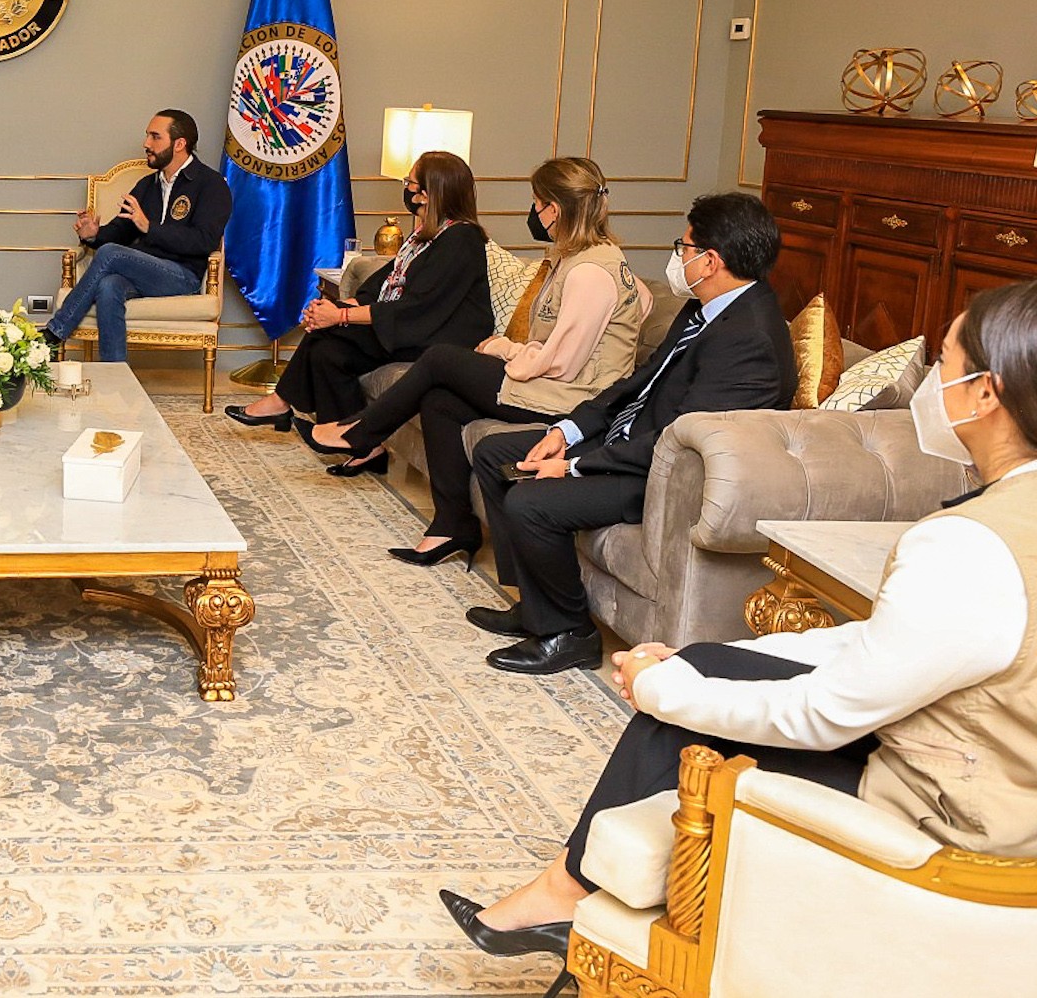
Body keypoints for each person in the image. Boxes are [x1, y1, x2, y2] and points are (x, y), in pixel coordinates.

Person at [444, 281, 1037, 977]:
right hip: (1005, 782)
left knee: (679, 720)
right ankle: (567, 893)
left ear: (984, 393)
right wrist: (705, 659)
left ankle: (567, 898)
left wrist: (664, 691)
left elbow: (825, 714)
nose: (932, 383)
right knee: (709, 664)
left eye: (942, 362)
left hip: (961, 821)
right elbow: (887, 644)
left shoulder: (967, 546)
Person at [467, 192, 795, 676]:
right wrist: (567, 430)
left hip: (663, 475)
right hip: (629, 442)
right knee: (495, 453)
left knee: (530, 501)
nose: (678, 257)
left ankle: (569, 634)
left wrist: (574, 467)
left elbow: (678, 440)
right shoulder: (706, 306)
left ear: (711, 261)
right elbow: (640, 381)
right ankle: (535, 605)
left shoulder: (750, 339)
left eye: (684, 247)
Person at [311, 158, 653, 565]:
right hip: (559, 384)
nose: (533, 212)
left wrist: (505, 350)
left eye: (536, 203)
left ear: (555, 209)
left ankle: (362, 432)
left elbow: (560, 364)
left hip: (571, 399)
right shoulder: (589, 256)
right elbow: (641, 300)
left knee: (441, 359)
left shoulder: (589, 271)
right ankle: (452, 525)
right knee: (438, 400)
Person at [227, 150, 491, 456]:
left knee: (329, 333)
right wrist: (339, 307)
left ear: (429, 194)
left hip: (436, 335)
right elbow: (385, 282)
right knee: (328, 352)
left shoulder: (462, 239)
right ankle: (363, 449)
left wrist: (339, 317)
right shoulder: (424, 234)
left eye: (410, 183)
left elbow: (420, 307)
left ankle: (282, 402)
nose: (406, 188)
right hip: (408, 324)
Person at [43, 110, 232, 362]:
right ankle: (114, 373)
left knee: (110, 254)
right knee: (109, 286)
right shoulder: (146, 185)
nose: (146, 144)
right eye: (147, 136)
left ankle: (55, 333)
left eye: (155, 137)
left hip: (183, 276)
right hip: (144, 272)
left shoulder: (211, 184)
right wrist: (93, 235)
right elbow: (119, 232)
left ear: (179, 144)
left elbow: (204, 241)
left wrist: (149, 227)